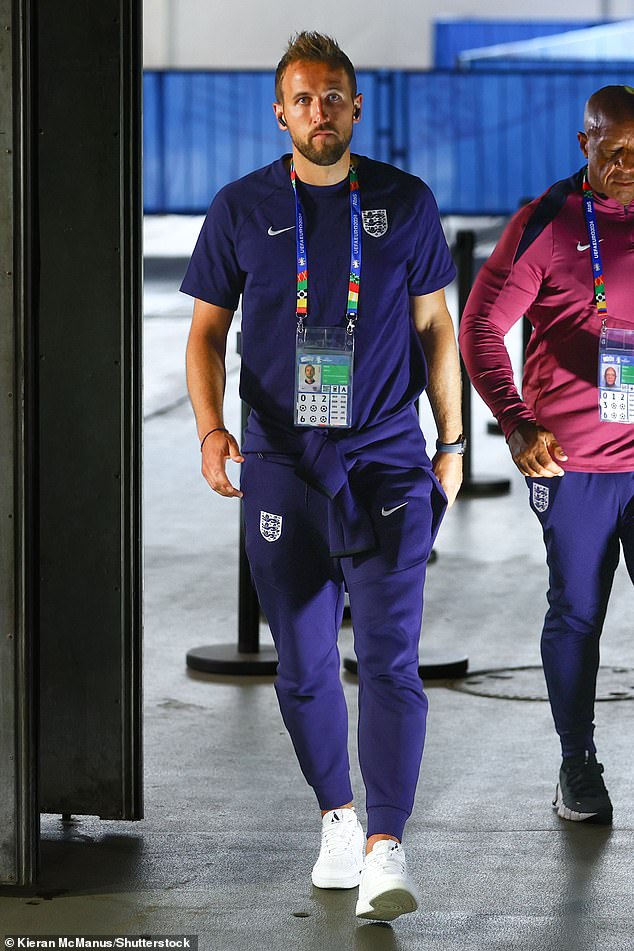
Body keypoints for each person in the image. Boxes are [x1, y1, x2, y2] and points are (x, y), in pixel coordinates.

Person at [183, 32, 463, 920]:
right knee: (302, 666)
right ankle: (337, 817)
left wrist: (452, 445)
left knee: (388, 657)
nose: (319, 112)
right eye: (302, 99)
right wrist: (210, 430)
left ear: (355, 104)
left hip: (384, 456)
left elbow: (437, 332)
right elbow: (203, 335)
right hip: (280, 462)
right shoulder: (239, 209)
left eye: (333, 96)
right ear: (280, 112)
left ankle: (386, 841)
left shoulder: (404, 202)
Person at [460, 85, 634, 826]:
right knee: (578, 611)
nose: (628, 165)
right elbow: (479, 328)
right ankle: (577, 763)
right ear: (583, 143)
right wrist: (517, 422)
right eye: (614, 150)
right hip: (577, 465)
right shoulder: (550, 224)